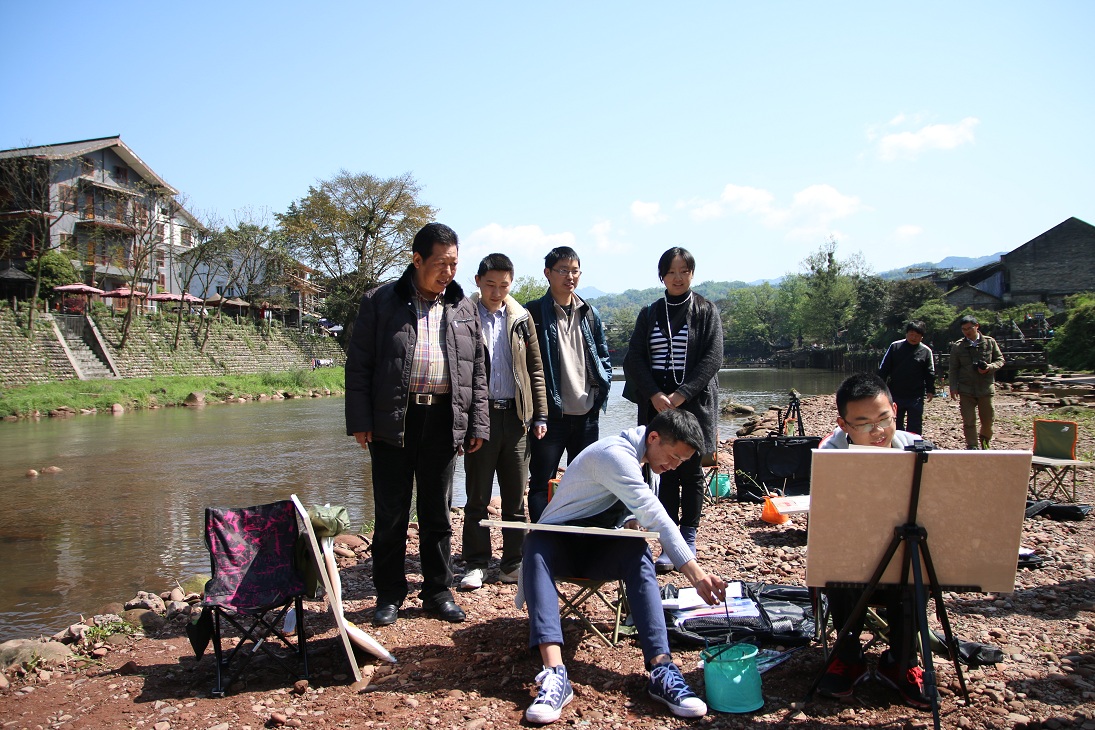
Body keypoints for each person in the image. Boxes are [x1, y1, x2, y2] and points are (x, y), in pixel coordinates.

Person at [520, 408, 728, 724]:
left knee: (636, 549)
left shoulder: (649, 463)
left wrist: (630, 524)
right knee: (535, 543)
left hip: (598, 553)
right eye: (673, 457)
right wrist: (696, 575)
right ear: (654, 437)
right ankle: (554, 674)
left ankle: (661, 669)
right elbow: (657, 516)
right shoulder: (614, 454)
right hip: (560, 548)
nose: (672, 467)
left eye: (681, 463)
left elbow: (633, 515)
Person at [344, 222, 489, 627]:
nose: (448, 272)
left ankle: (438, 591)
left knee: (438, 511)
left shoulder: (463, 307)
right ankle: (389, 594)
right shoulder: (381, 301)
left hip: (442, 418)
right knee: (391, 513)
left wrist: (476, 423)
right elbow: (359, 367)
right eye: (441, 263)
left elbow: (476, 369)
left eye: (454, 264)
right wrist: (360, 420)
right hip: (394, 419)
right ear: (417, 259)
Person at [817, 373, 929, 709]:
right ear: (844, 424)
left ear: (895, 410)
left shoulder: (917, 448)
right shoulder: (830, 451)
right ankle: (848, 655)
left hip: (902, 561)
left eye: (884, 419)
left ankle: (902, 661)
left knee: (914, 566)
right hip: (853, 562)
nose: (877, 431)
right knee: (836, 561)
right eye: (863, 423)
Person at [623, 247, 723, 572]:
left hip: (692, 405)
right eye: (671, 272)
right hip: (657, 404)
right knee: (663, 468)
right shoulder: (650, 313)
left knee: (691, 471)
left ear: (692, 274)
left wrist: (681, 395)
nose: (677, 277)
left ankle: (688, 536)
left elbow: (713, 358)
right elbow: (634, 358)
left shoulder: (706, 311)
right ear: (662, 276)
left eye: (684, 271)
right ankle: (669, 540)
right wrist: (654, 395)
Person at [459, 253, 549, 590]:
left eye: (504, 285)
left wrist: (539, 414)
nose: (497, 291)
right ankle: (477, 564)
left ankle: (512, 562)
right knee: (477, 497)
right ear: (478, 281)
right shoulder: (463, 316)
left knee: (514, 498)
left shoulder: (521, 318)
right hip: (478, 418)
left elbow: (536, 370)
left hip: (515, 417)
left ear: (511, 284)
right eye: (490, 284)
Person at [525, 246, 612, 522]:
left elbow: (603, 356)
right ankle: (543, 538)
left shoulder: (589, 313)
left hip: (587, 415)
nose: (570, 276)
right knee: (541, 482)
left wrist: (602, 389)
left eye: (574, 271)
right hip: (550, 416)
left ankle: (575, 541)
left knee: (585, 483)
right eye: (563, 270)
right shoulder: (534, 313)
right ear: (547, 273)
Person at [948, 315, 1005, 450]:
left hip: (985, 388)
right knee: (968, 420)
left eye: (970, 328)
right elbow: (953, 368)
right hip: (966, 389)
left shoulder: (990, 342)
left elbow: (1000, 360)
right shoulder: (958, 346)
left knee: (988, 420)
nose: (967, 331)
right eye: (964, 329)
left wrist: (989, 368)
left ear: (977, 326)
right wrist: (953, 387)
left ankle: (985, 442)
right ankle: (972, 445)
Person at [877, 320, 935, 436]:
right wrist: (879, 387)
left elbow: (930, 372)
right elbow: (884, 368)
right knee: (895, 421)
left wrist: (930, 389)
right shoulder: (895, 347)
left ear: (922, 337)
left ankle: (914, 446)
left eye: (917, 335)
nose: (913, 337)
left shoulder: (926, 351)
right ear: (906, 334)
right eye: (911, 334)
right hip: (895, 391)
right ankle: (896, 445)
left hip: (916, 394)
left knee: (915, 422)